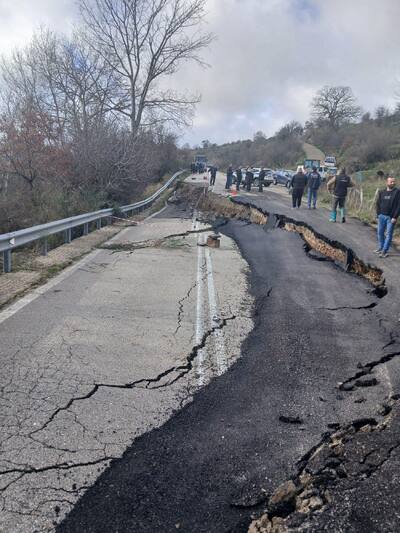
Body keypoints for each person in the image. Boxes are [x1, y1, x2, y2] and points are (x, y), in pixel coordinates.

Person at [375, 175, 400, 258]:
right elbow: (378, 203)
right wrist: (378, 214)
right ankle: (381, 247)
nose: (393, 183)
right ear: (387, 182)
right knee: (380, 233)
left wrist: (395, 217)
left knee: (389, 234)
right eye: (391, 181)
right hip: (381, 216)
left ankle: (384, 251)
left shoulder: (397, 192)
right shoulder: (382, 192)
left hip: (391, 217)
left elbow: (399, 206)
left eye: (394, 181)